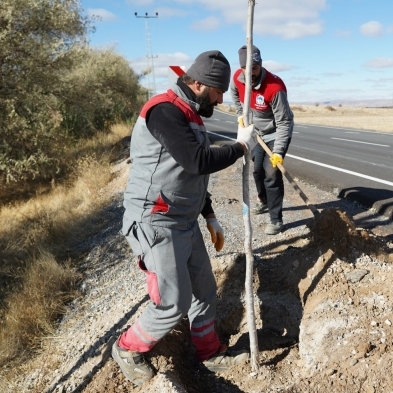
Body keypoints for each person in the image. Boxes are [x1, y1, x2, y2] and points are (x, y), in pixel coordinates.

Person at [112, 50, 257, 386]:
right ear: (197, 83)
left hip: (184, 221)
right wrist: (240, 148)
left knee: (205, 290)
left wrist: (209, 215)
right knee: (173, 302)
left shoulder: (191, 113)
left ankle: (208, 351)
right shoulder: (163, 111)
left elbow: (187, 176)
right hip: (155, 221)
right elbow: (196, 161)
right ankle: (127, 348)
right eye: (218, 91)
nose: (221, 98)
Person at [230, 45, 294, 235]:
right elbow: (234, 93)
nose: (251, 73)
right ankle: (263, 201)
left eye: (255, 68)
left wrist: (278, 152)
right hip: (256, 133)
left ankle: (276, 219)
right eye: (247, 69)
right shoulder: (237, 79)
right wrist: (241, 114)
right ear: (241, 68)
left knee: (271, 173)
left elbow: (284, 122)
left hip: (275, 133)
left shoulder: (275, 87)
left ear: (260, 64)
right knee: (257, 171)